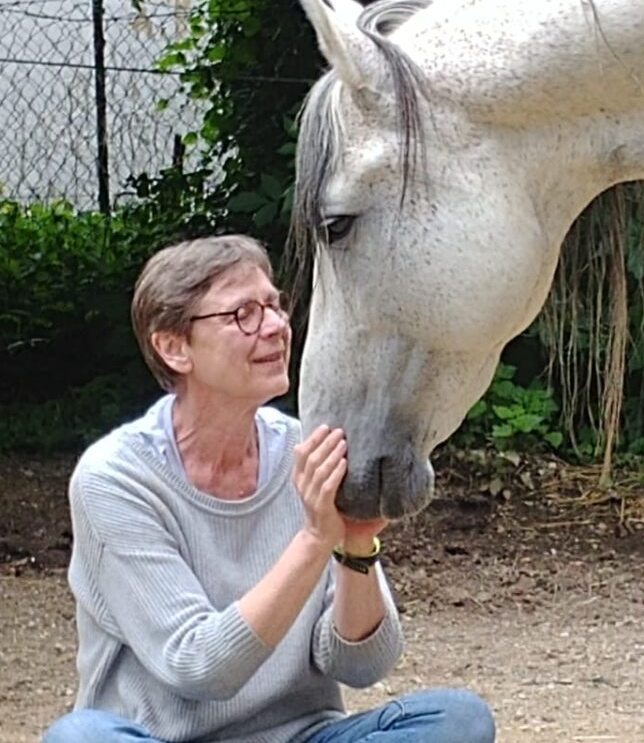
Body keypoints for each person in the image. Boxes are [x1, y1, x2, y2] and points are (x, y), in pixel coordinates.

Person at [42, 235, 495, 743]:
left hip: (300, 736)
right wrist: (312, 543)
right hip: (164, 738)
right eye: (243, 314)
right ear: (173, 347)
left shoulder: (306, 450)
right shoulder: (116, 479)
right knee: (81, 737)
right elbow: (199, 667)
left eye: (276, 306)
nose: (277, 327)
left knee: (457, 719)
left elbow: (362, 665)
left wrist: (355, 549)